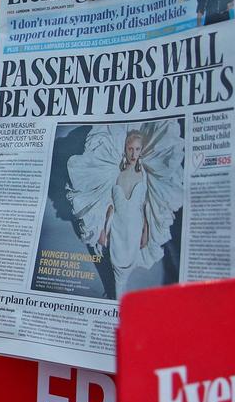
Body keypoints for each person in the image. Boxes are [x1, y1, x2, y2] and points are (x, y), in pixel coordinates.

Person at [67, 121, 183, 299]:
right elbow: (108, 205)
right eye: (130, 149)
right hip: (117, 228)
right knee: (117, 266)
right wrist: (103, 231)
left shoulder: (144, 173)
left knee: (129, 267)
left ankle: (122, 299)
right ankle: (117, 299)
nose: (133, 153)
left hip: (135, 228)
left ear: (141, 150)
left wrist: (146, 231)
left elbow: (145, 206)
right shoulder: (116, 172)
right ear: (125, 149)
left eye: (137, 149)